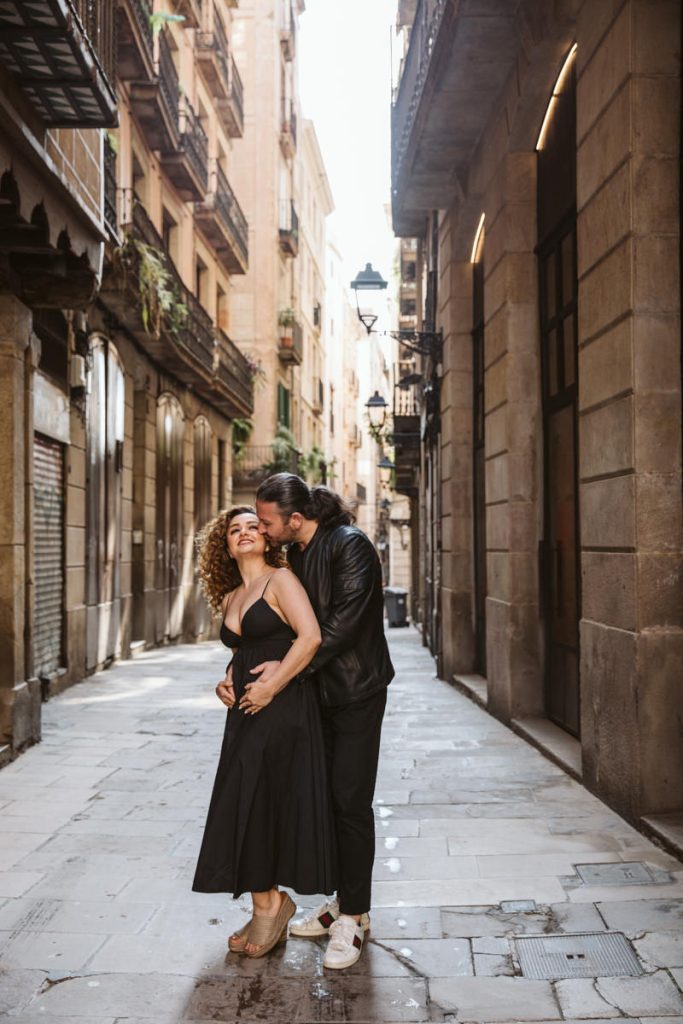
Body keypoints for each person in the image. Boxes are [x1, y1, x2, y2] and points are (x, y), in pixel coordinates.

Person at [219, 474, 394, 969]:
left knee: (350, 802)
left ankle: (354, 917)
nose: (264, 530)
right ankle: (342, 899)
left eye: (268, 522)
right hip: (312, 696)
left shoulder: (351, 546)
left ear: (296, 519)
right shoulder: (293, 555)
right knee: (323, 800)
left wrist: (285, 670)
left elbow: (339, 626)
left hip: (356, 693)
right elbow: (279, 629)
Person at [192, 505, 336, 959]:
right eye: (235, 530)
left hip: (282, 708)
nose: (245, 533)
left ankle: (269, 906)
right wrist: (226, 679)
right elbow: (247, 648)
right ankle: (267, 903)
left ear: (269, 537)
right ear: (226, 545)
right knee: (246, 802)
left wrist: (272, 687)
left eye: (253, 526)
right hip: (245, 713)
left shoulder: (281, 580)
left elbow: (309, 637)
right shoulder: (236, 594)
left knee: (256, 802)